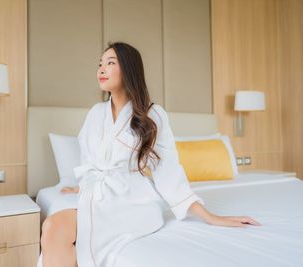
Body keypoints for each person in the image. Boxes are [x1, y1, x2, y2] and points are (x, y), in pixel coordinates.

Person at [39, 42, 261, 267]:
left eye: (110, 63)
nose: (101, 69)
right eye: (100, 64)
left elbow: (168, 172)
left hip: (134, 203)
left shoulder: (152, 115)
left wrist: (211, 217)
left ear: (128, 69)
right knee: (52, 227)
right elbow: (89, 162)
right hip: (99, 198)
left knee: (60, 230)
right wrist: (82, 187)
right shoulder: (96, 113)